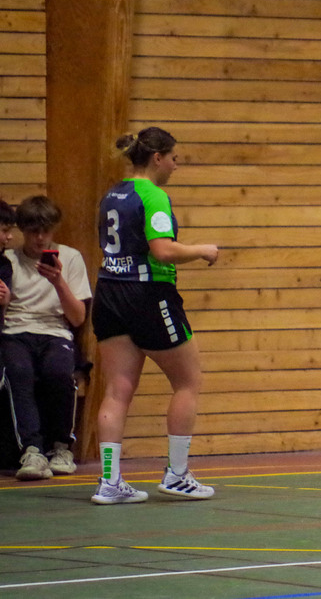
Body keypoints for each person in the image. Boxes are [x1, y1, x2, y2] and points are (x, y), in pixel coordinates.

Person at [90, 127, 219, 505]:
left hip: (109, 292)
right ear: (157, 158)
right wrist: (202, 250)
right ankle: (177, 475)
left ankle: (109, 481)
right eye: (174, 158)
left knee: (117, 390)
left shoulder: (112, 194)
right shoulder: (153, 196)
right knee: (188, 381)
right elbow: (162, 250)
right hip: (147, 293)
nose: (176, 166)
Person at [1, 195, 91, 480]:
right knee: (18, 371)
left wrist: (58, 281)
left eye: (46, 231)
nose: (40, 238)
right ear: (22, 231)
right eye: (33, 231)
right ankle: (31, 450)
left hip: (55, 331)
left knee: (59, 372)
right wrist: (4, 301)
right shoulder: (9, 260)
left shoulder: (70, 258)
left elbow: (78, 317)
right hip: (15, 331)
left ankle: (62, 447)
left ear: (54, 229)